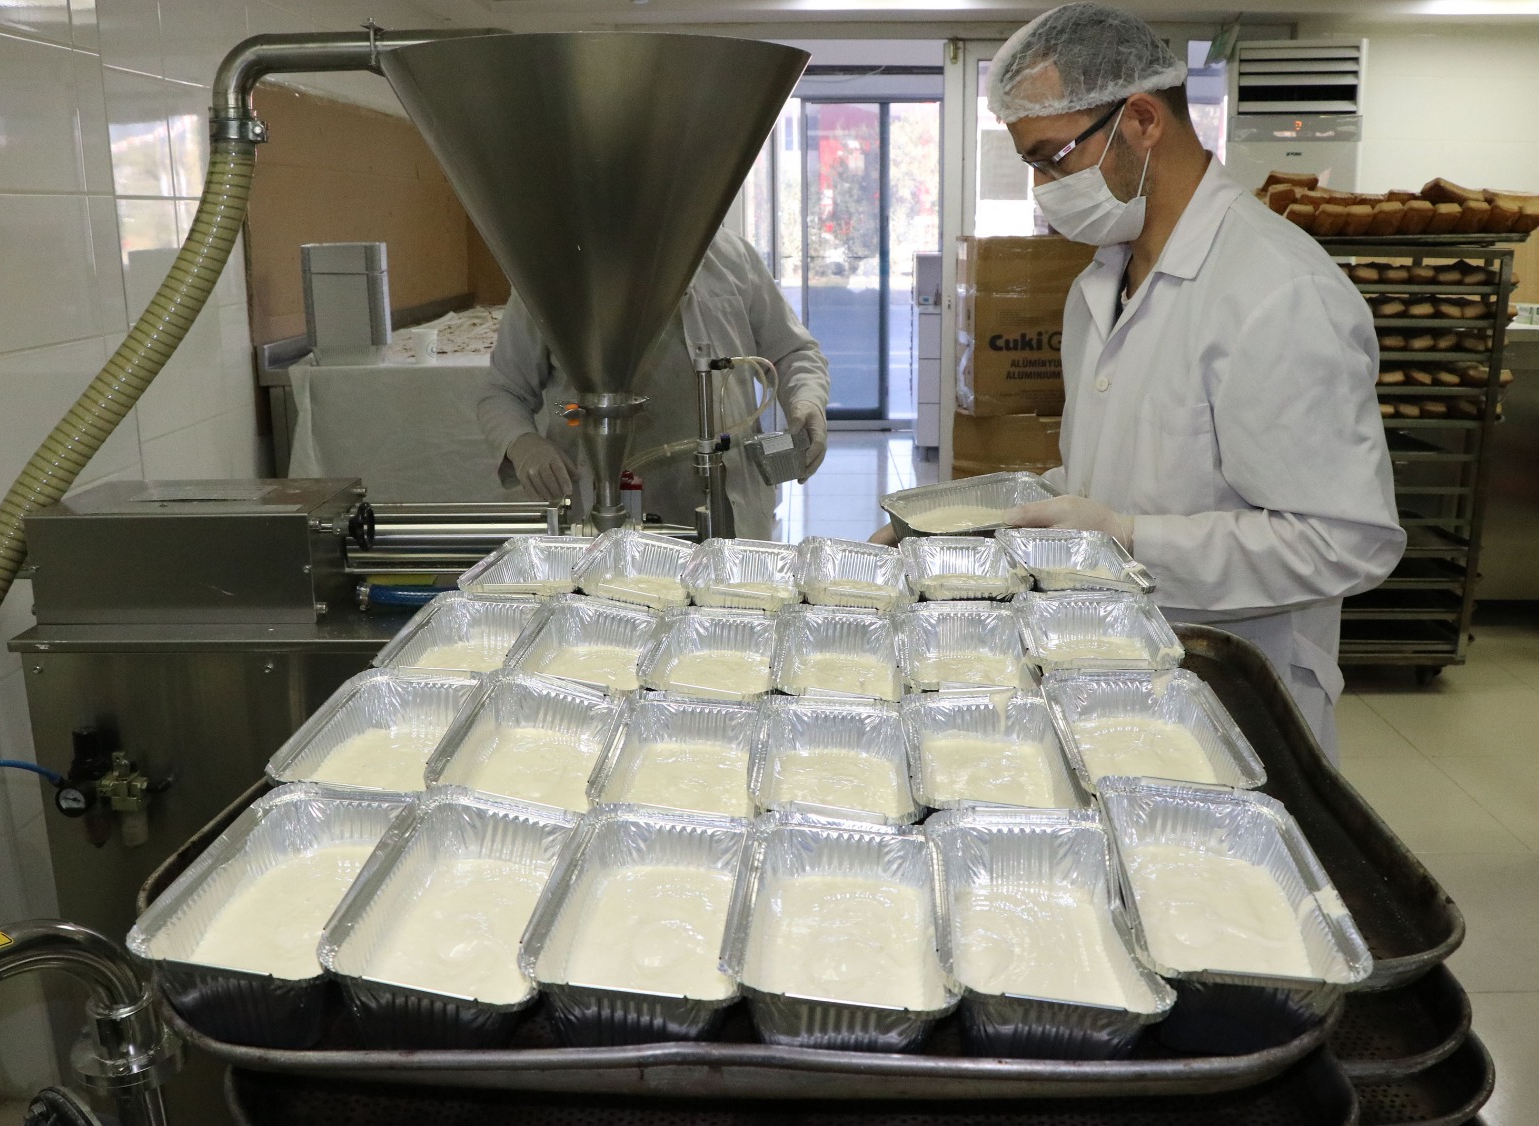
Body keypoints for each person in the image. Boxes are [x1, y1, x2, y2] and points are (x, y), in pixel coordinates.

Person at [931, 3, 1403, 759]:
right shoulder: (1102, 282)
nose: (1043, 189)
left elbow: (1344, 541)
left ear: (1143, 121)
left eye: (1052, 158)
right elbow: (1108, 476)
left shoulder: (1277, 290)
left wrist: (1128, 542)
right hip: (1110, 673)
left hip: (1235, 699)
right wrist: (959, 521)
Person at [477, 228, 831, 540]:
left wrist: (807, 401)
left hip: (730, 514)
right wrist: (523, 444)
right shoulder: (554, 271)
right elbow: (503, 391)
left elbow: (792, 352)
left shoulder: (731, 257)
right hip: (605, 518)